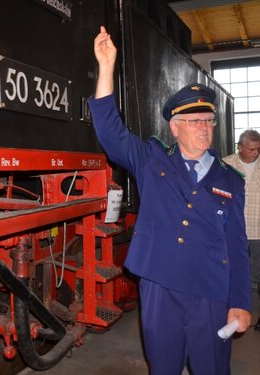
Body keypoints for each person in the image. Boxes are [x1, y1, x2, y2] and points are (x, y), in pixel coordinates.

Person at [88, 26, 252, 374]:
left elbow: (236, 246)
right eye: (193, 121)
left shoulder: (230, 180)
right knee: (162, 368)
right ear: (174, 128)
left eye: (208, 120)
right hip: (160, 288)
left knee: (211, 368)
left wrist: (240, 303)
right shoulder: (152, 160)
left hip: (210, 293)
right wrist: (106, 68)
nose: (204, 128)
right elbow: (110, 131)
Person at [223, 129, 260, 331]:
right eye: (251, 149)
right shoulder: (226, 164)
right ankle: (229, 311)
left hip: (258, 231)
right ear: (240, 147)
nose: (255, 153)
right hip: (231, 232)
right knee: (231, 273)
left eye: (258, 149)